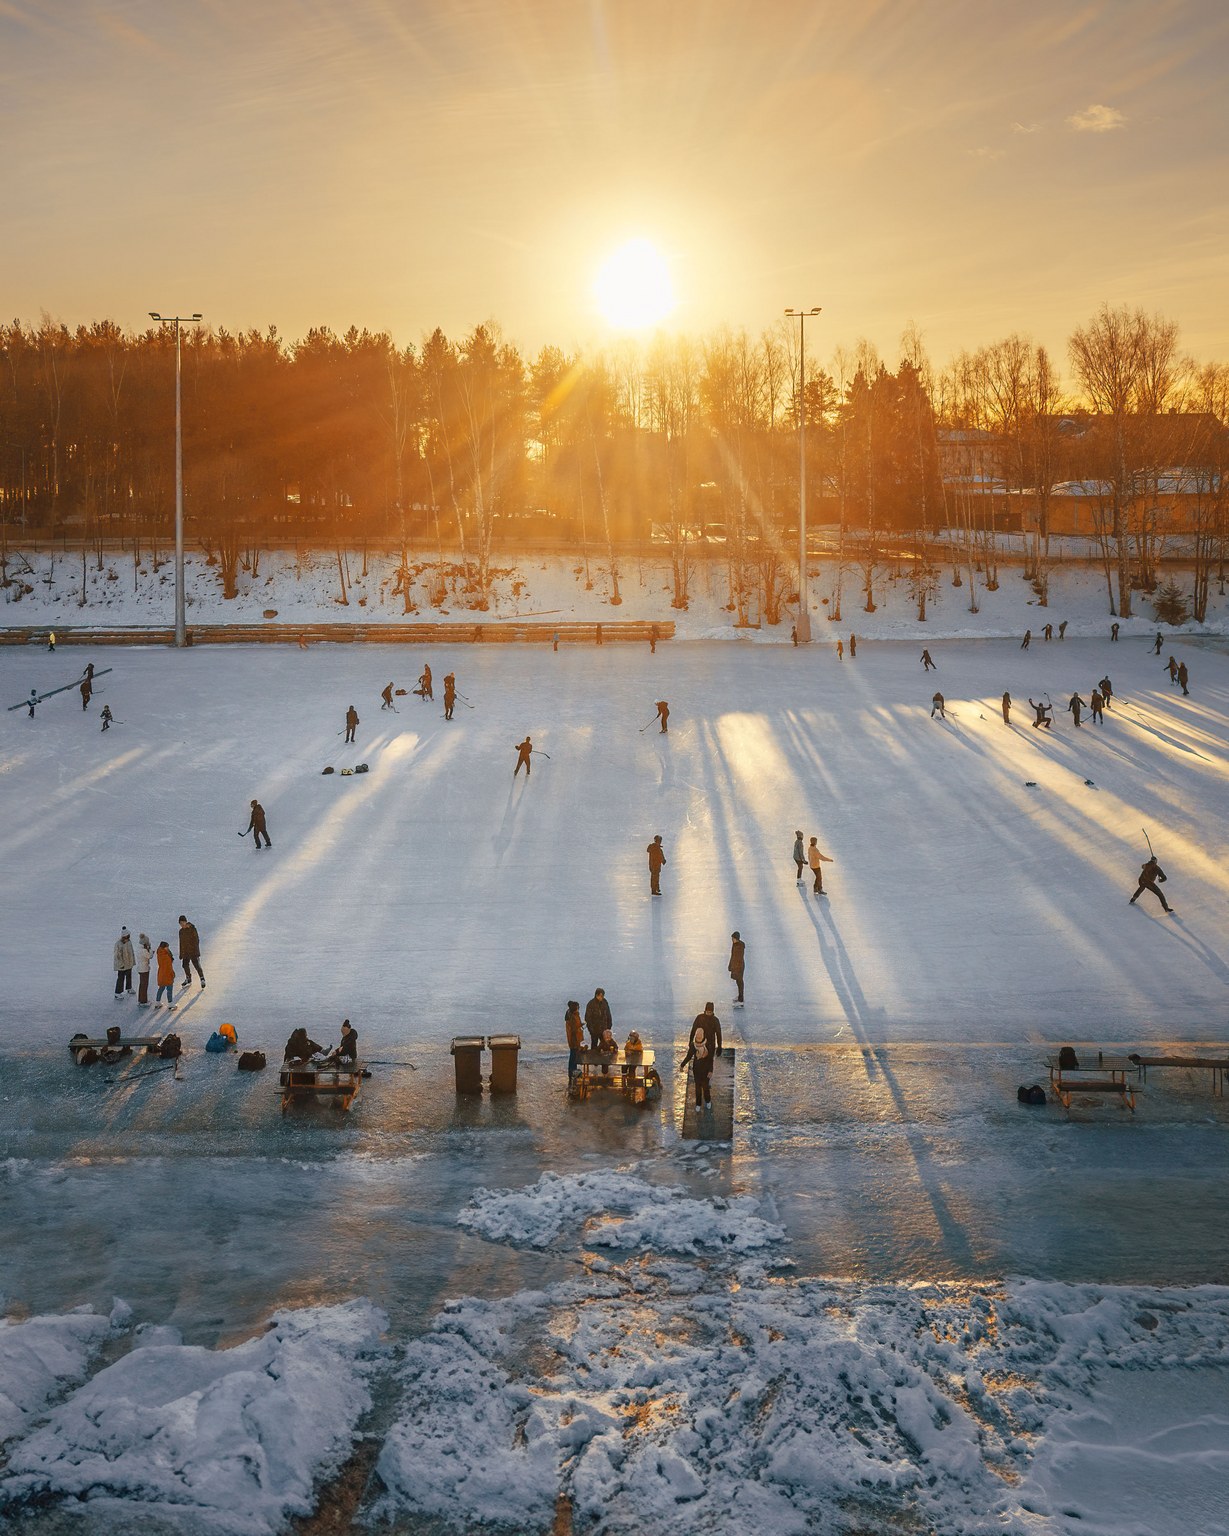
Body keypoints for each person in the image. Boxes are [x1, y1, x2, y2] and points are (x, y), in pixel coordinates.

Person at [680, 1003, 722, 1110]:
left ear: (712, 1011)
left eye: (710, 1011)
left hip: (710, 1044)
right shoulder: (700, 1018)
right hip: (699, 1050)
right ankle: (699, 1101)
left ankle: (707, 1085)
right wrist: (690, 1040)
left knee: (708, 1063)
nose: (708, 1013)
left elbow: (718, 1033)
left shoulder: (715, 1020)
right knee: (698, 1085)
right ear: (705, 1010)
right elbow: (694, 1029)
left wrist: (720, 1046)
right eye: (707, 1011)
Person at [178, 915, 205, 988]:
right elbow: (181, 943)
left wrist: (196, 950)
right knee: (184, 965)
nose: (182, 925)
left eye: (182, 923)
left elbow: (196, 939)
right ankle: (188, 978)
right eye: (180, 923)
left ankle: (202, 978)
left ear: (186, 922)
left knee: (196, 965)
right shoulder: (181, 932)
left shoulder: (192, 929)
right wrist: (181, 953)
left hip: (193, 951)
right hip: (185, 952)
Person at [565, 1000, 584, 1083]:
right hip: (574, 1040)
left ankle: (572, 1071)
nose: (578, 1009)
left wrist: (580, 1025)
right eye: (577, 1007)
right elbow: (573, 1031)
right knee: (573, 1056)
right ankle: (572, 1072)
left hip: (574, 1039)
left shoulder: (571, 1015)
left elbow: (576, 1026)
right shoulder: (572, 1017)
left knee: (573, 1055)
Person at [154, 940, 176, 1009]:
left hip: (161, 973)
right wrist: (172, 974)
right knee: (169, 989)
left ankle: (157, 1002)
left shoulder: (159, 953)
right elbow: (169, 967)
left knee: (161, 988)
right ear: (165, 947)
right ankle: (170, 1003)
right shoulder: (166, 957)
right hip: (167, 975)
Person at [113, 926, 134, 998]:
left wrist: (132, 961)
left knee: (129, 976)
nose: (129, 937)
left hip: (128, 963)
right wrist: (121, 964)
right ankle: (117, 992)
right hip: (122, 964)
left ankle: (129, 988)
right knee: (121, 978)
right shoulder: (118, 944)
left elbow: (131, 952)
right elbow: (117, 955)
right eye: (128, 936)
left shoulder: (128, 941)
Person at [728, 931, 745, 1003]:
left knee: (739, 982)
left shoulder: (739, 947)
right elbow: (732, 956)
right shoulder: (735, 945)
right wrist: (730, 965)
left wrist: (734, 968)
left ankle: (741, 999)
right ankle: (740, 997)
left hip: (739, 967)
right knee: (739, 982)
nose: (732, 940)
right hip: (736, 966)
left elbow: (737, 958)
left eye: (733, 938)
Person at [136, 933, 152, 1006]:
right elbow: (149, 956)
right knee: (144, 985)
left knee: (142, 984)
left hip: (140, 968)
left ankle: (141, 999)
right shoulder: (143, 950)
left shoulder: (139, 948)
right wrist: (151, 950)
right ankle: (143, 1001)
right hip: (144, 969)